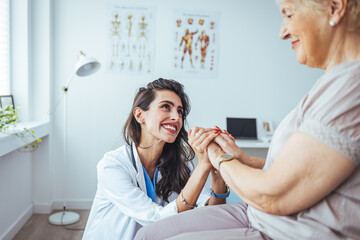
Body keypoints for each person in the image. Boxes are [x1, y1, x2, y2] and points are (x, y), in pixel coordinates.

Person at [135, 0, 360, 239]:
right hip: (259, 213)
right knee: (147, 235)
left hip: (285, 228)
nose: (282, 32)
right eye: (166, 107)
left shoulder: (351, 88)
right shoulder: (330, 85)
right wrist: (240, 158)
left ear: (335, 7)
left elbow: (272, 193)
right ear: (139, 115)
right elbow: (301, 170)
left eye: (289, 15)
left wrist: (219, 158)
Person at [82, 78, 228, 240]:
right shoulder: (113, 166)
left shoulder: (180, 163)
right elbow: (156, 220)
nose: (176, 117)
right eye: (166, 107)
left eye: (180, 111)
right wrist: (203, 165)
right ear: (139, 115)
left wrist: (218, 173)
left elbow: (210, 216)